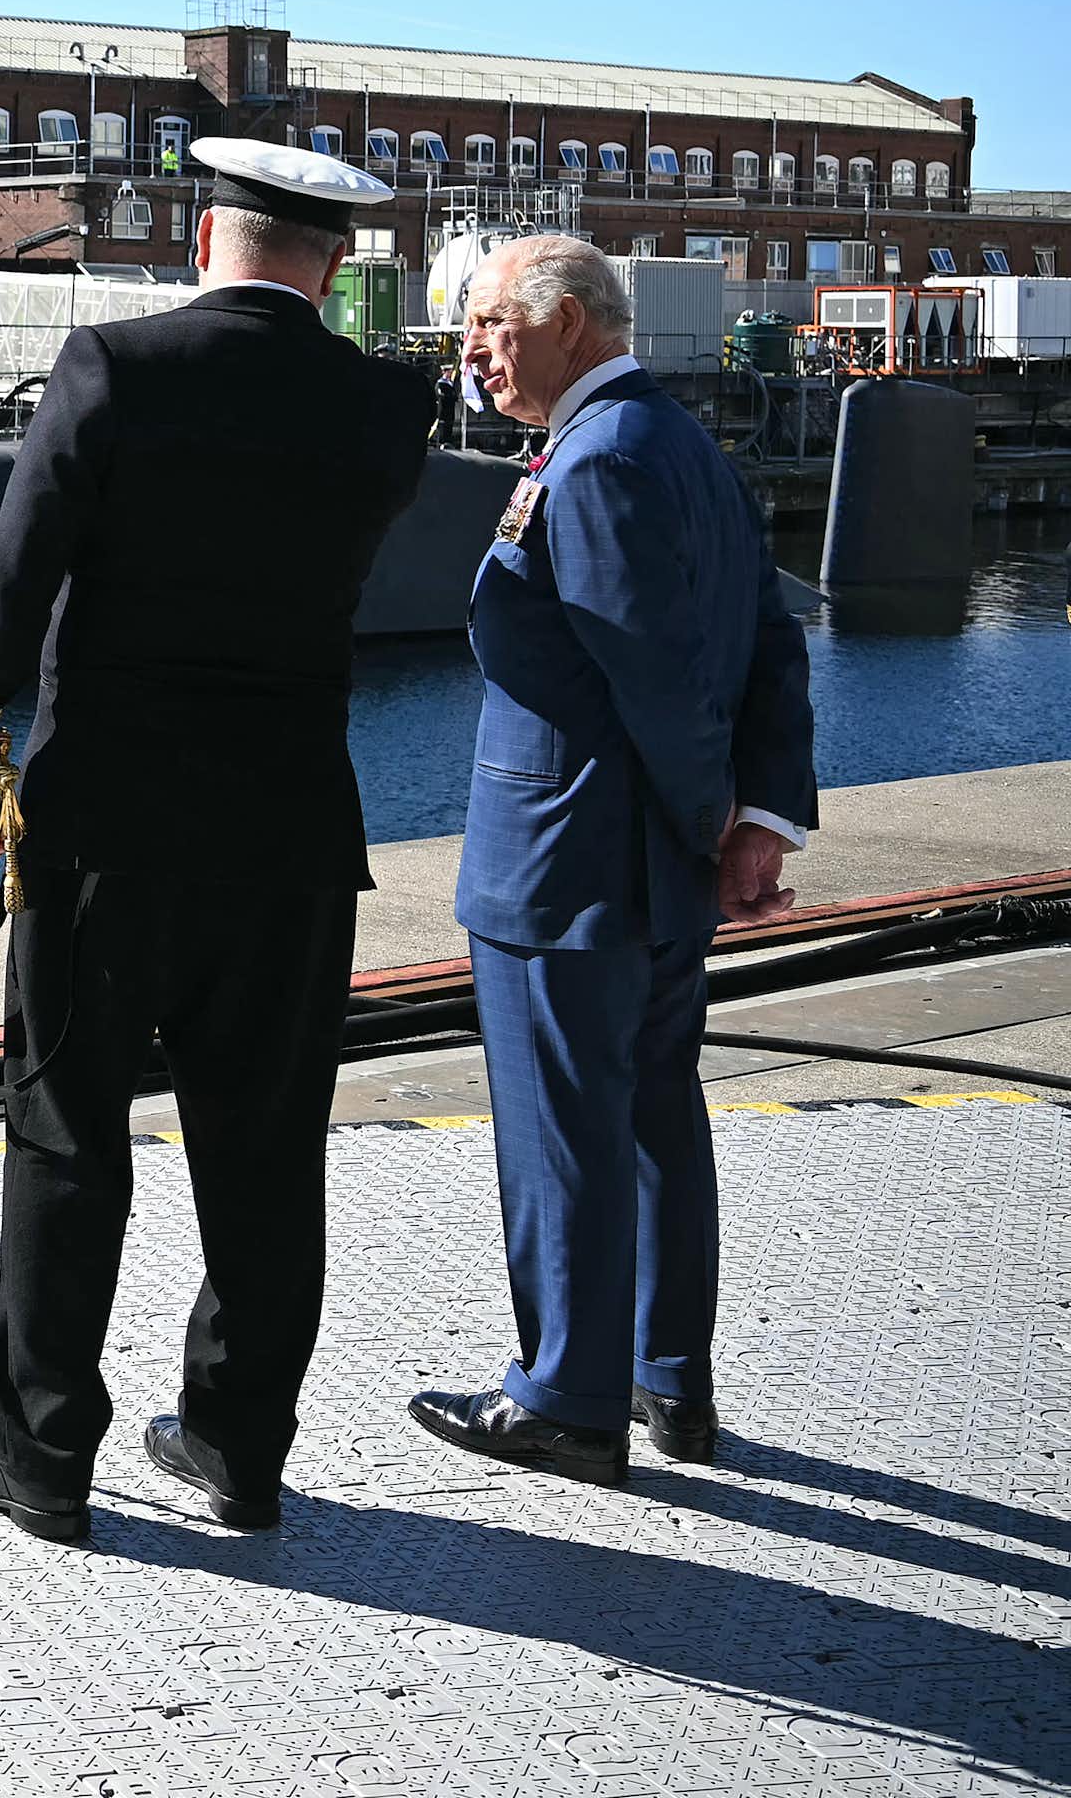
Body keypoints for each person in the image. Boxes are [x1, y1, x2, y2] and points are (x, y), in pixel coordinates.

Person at [0, 140, 436, 1544]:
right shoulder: (389, 408)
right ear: (334, 259)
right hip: (289, 835)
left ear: (204, 233)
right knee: (268, 1149)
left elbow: (12, 586)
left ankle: (42, 1455)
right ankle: (237, 1447)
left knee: (70, 1132)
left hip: (110, 830)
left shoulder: (113, 368)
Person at [410, 236, 816, 1484]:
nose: (470, 349)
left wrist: (713, 824)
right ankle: (665, 1381)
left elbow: (646, 675)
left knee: (561, 1131)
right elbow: (768, 641)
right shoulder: (682, 444)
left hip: (570, 860)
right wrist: (761, 818)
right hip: (646, 867)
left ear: (570, 322)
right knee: (652, 1115)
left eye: (489, 323)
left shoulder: (597, 458)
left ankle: (566, 1399)